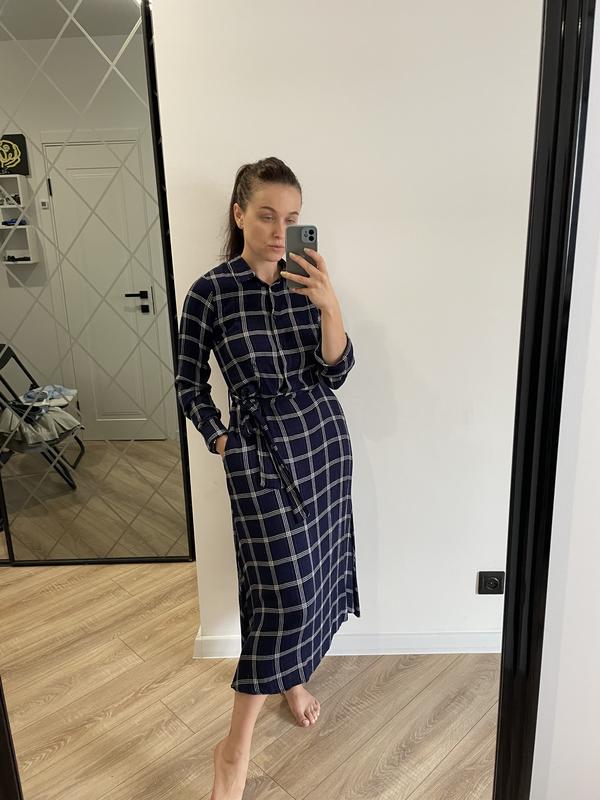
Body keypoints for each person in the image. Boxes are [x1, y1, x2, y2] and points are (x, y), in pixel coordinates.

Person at [175, 156, 360, 799]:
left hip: (322, 448)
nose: (281, 231)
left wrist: (330, 304)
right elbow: (188, 382)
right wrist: (220, 437)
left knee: (311, 581)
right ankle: (235, 748)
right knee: (280, 592)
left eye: (292, 218)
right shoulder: (210, 292)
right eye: (267, 215)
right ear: (239, 215)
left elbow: (336, 372)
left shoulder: (308, 283)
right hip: (258, 456)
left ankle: (293, 678)